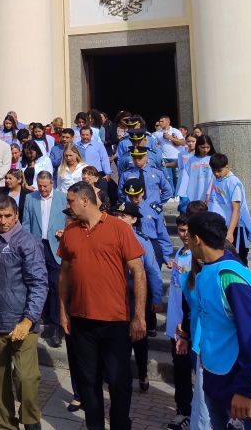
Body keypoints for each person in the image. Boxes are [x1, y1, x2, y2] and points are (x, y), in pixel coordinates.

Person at [58, 181, 147, 430]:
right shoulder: (70, 231)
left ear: (85, 200)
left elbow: (138, 271)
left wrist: (139, 316)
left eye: (70, 201)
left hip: (115, 321)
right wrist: (62, 311)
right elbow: (64, 274)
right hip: (81, 321)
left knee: (118, 382)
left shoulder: (119, 228)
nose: (68, 206)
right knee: (88, 382)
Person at [185, 212, 251, 429]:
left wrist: (245, 389)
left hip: (240, 378)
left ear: (196, 239)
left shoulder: (230, 276)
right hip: (217, 373)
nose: (187, 241)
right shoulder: (206, 272)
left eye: (188, 236)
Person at [0, 195, 47, 430]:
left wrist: (28, 319)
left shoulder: (28, 242)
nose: (3, 221)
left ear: (16, 215)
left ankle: (31, 420)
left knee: (26, 378)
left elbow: (39, 283)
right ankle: (5, 425)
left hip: (22, 322)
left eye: (8, 216)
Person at [111, 201, 163, 394]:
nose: (119, 219)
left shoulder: (142, 241)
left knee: (139, 338)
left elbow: (153, 271)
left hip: (136, 296)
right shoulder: (109, 237)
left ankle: (142, 373)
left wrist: (156, 298)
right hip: (115, 296)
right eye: (117, 215)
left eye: (123, 216)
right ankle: (120, 375)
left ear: (134, 220)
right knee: (118, 339)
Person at [21, 171, 68, 348]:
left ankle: (56, 327)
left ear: (52, 184)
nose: (43, 189)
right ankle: (36, 318)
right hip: (37, 246)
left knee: (55, 285)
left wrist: (65, 232)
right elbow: (26, 224)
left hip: (56, 246)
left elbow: (70, 220)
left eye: (46, 186)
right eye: (40, 186)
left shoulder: (62, 198)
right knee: (37, 282)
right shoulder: (30, 198)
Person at [165, 215, 199, 430]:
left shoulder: (198, 257)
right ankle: (183, 411)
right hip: (175, 326)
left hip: (190, 327)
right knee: (180, 371)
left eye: (187, 230)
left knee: (195, 372)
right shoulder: (180, 252)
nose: (184, 235)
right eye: (181, 230)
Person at [207, 153, 251, 265]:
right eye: (213, 170)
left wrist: (230, 233)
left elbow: (236, 209)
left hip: (235, 228)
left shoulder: (233, 182)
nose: (216, 173)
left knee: (238, 260)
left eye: (219, 170)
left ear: (226, 166)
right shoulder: (215, 179)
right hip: (220, 226)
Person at [120, 170, 173, 269]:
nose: (134, 199)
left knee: (154, 276)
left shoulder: (153, 209)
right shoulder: (122, 212)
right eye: (130, 197)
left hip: (151, 246)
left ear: (142, 193)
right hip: (130, 246)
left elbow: (161, 232)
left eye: (136, 196)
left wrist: (166, 255)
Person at [155, 115, 185, 193]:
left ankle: (178, 194)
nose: (160, 123)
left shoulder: (175, 131)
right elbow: (155, 145)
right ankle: (171, 195)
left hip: (176, 158)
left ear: (168, 122)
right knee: (168, 178)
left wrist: (170, 137)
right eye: (160, 121)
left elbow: (183, 142)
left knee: (177, 177)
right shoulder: (157, 133)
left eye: (162, 121)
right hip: (164, 158)